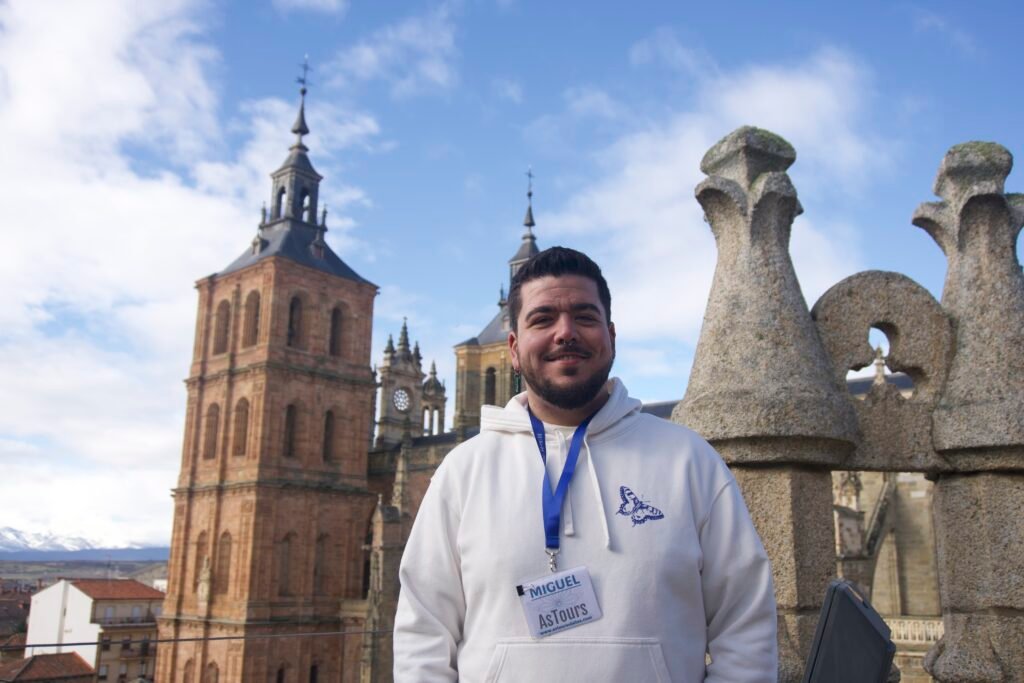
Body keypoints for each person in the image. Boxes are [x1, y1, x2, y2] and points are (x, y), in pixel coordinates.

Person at [393, 247, 777, 682]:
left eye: (585, 317)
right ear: (514, 350)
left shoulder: (690, 461)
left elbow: (746, 626)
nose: (565, 332)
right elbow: (423, 634)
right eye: (542, 319)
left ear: (611, 335)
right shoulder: (463, 471)